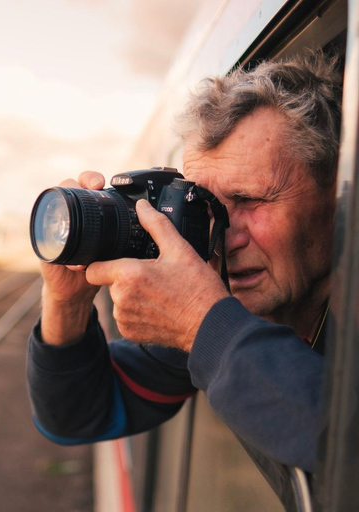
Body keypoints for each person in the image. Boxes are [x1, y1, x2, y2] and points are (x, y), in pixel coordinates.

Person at [26, 50, 342, 509]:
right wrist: (67, 302)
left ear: (339, 196)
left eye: (250, 200)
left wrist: (204, 325)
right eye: (205, 206)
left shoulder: (213, 320)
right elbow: (74, 416)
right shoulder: (222, 307)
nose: (222, 235)